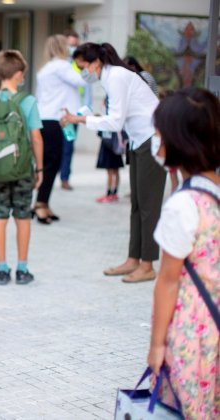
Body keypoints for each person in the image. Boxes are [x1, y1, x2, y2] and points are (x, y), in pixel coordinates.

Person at [146, 87, 220, 419]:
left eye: (160, 138)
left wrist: (157, 345)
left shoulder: (182, 206)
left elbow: (168, 282)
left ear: (179, 142)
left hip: (194, 334)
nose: (157, 147)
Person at [64, 42, 165, 283]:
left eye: (82, 67)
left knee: (148, 206)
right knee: (137, 205)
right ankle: (133, 259)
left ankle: (148, 265)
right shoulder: (110, 77)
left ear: (96, 63)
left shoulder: (116, 77)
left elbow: (115, 123)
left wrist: (80, 119)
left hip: (152, 141)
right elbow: (117, 119)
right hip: (140, 140)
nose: (82, 72)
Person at [0, 50, 44, 285]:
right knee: (23, 216)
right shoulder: (28, 102)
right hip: (23, 168)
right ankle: (22, 269)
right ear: (18, 74)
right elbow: (36, 138)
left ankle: (2, 269)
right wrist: (40, 169)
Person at [34, 34, 87, 224]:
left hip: (44, 119)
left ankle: (42, 203)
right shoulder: (62, 66)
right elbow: (82, 81)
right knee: (52, 164)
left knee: (47, 163)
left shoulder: (46, 68)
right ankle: (41, 204)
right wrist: (88, 66)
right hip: (56, 120)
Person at [59, 29, 92, 191]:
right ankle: (50, 174)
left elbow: (87, 91)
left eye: (75, 45)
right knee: (54, 147)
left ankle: (64, 177)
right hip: (56, 115)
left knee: (68, 146)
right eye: (70, 44)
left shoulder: (81, 66)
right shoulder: (60, 64)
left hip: (73, 115)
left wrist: (83, 113)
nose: (73, 47)